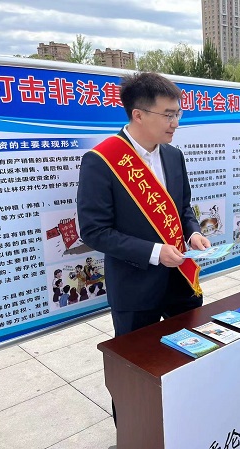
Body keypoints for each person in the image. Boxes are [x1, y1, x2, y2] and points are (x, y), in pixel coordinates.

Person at [78, 72, 210, 338]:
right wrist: (155, 252)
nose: (175, 123)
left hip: (181, 282)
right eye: (168, 115)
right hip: (135, 290)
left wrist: (193, 232)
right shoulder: (101, 161)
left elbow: (183, 208)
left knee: (194, 353)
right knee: (139, 361)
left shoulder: (173, 155)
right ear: (138, 115)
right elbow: (95, 232)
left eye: (177, 114)